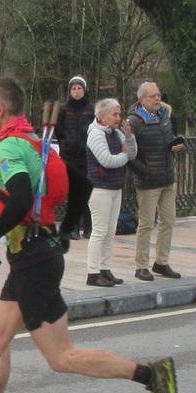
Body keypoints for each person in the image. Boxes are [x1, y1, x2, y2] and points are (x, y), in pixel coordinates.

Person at [0, 75, 178, 393]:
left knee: (62, 357)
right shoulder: (36, 143)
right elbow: (80, 185)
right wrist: (63, 232)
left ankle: (151, 375)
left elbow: (19, 199)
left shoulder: (9, 149)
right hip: (35, 255)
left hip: (33, 259)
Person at [126, 80, 183, 281]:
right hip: (148, 181)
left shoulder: (164, 116)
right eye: (153, 96)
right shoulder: (134, 121)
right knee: (146, 224)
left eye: (158, 94)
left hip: (167, 177)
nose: (158, 98)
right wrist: (145, 171)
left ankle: (162, 262)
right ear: (142, 100)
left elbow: (167, 140)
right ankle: (141, 265)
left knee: (168, 221)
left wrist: (174, 147)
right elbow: (128, 154)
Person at [83, 97, 135, 286]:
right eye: (115, 114)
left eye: (119, 114)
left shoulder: (115, 133)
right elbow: (107, 160)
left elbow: (133, 152)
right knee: (99, 230)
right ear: (103, 117)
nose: (118, 117)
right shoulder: (96, 134)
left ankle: (105, 269)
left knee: (110, 231)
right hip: (99, 188)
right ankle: (92, 272)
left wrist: (129, 137)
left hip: (115, 186)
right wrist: (124, 155)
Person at [56, 76, 95, 240]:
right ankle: (73, 228)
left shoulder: (91, 108)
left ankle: (88, 227)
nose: (77, 91)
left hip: (86, 155)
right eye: (74, 89)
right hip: (69, 155)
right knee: (72, 191)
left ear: (84, 90)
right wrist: (65, 142)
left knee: (87, 191)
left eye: (79, 88)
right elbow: (57, 128)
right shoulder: (64, 109)